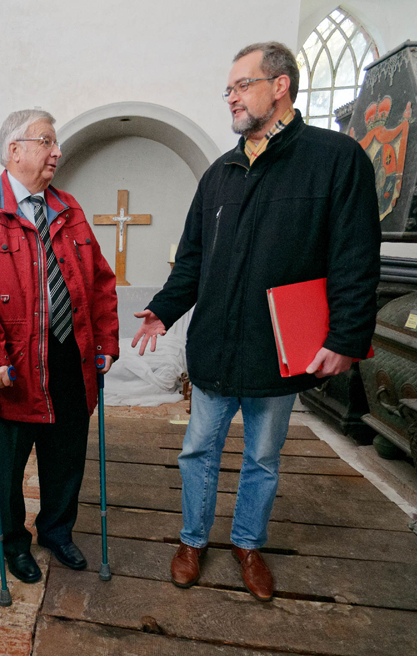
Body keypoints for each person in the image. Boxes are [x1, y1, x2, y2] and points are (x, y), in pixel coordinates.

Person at [132, 42, 380, 601]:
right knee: (198, 451)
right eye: (229, 89)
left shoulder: (335, 159)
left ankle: (247, 543)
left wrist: (346, 337)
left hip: (278, 349)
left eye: (242, 85)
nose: (232, 97)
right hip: (216, 345)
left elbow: (356, 257)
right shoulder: (220, 173)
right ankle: (192, 540)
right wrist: (164, 309)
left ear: (280, 85)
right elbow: (193, 258)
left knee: (263, 458)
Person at [0, 109, 119, 583]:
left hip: (69, 360)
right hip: (12, 369)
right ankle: (14, 545)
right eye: (46, 142)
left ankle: (57, 532)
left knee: (66, 460)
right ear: (14, 150)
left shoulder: (69, 208)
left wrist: (105, 342)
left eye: (55, 143)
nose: (57, 151)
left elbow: (100, 282)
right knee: (8, 470)